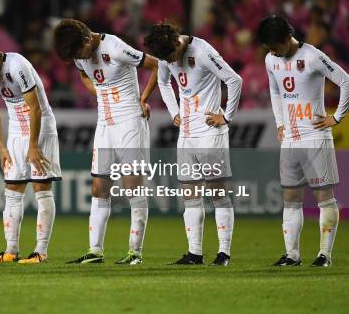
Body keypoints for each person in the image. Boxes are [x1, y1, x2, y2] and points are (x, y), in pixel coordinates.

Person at [54, 19, 158, 265]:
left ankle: (135, 251)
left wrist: (143, 98)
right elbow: (82, 74)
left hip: (130, 121)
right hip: (104, 123)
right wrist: (99, 91)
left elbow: (157, 65)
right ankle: (95, 251)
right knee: (99, 188)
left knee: (133, 187)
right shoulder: (80, 55)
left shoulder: (115, 47)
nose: (81, 58)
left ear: (87, 39)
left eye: (80, 52)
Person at [146, 21, 243, 266]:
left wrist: (227, 116)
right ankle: (195, 254)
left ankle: (224, 252)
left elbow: (234, 80)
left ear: (177, 41)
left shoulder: (202, 52)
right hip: (187, 132)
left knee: (217, 192)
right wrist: (173, 111)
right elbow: (163, 81)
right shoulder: (166, 54)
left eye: (171, 56)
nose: (170, 61)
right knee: (190, 194)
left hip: (211, 131)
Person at [258, 15, 348, 267]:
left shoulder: (312, 57)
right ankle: (292, 255)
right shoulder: (270, 60)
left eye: (276, 47)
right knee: (290, 198)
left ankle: (324, 255)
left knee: (324, 197)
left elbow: (346, 81)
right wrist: (279, 123)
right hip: (290, 139)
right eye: (269, 49)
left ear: (288, 38)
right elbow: (275, 92)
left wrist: (337, 117)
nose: (273, 53)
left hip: (315, 137)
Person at [0, 39, 60, 263]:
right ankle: (10, 251)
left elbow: (35, 108)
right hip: (15, 131)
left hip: (41, 128)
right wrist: (1, 146)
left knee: (41, 189)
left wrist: (34, 145)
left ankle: (40, 252)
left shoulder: (17, 66)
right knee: (12, 191)